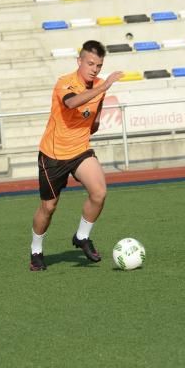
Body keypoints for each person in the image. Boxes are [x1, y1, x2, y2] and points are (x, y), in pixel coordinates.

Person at [31, 40, 123, 271]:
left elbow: (95, 119)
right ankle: (36, 250)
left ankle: (82, 236)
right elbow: (71, 103)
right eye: (90, 63)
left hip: (80, 151)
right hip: (53, 155)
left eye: (99, 65)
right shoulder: (65, 83)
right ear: (79, 61)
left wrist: (94, 123)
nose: (94, 69)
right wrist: (103, 87)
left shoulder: (99, 86)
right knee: (48, 208)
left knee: (99, 192)